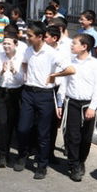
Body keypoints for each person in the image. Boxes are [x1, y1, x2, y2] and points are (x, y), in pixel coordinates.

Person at [50, 33, 97, 182]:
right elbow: (64, 83)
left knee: (86, 138)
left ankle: (81, 161)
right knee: (73, 136)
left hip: (88, 105)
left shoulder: (96, 64)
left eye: (75, 43)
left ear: (84, 47)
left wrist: (92, 107)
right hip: (72, 103)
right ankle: (74, 165)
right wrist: (60, 103)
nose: (71, 45)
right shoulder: (70, 63)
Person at [17, 23, 65, 180]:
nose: (27, 38)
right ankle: (23, 155)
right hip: (28, 92)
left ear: (40, 36)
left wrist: (53, 77)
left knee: (43, 133)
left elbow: (69, 69)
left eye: (30, 35)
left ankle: (42, 165)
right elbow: (24, 63)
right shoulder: (28, 50)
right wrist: (25, 75)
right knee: (23, 128)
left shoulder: (52, 53)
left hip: (45, 95)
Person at [0, 27, 26, 171]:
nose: (5, 46)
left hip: (16, 93)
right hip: (1, 92)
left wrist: (13, 70)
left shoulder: (21, 58)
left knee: (16, 125)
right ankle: (2, 155)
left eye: (9, 44)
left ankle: (18, 155)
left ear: (15, 44)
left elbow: (22, 80)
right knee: (2, 124)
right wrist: (1, 71)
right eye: (4, 43)